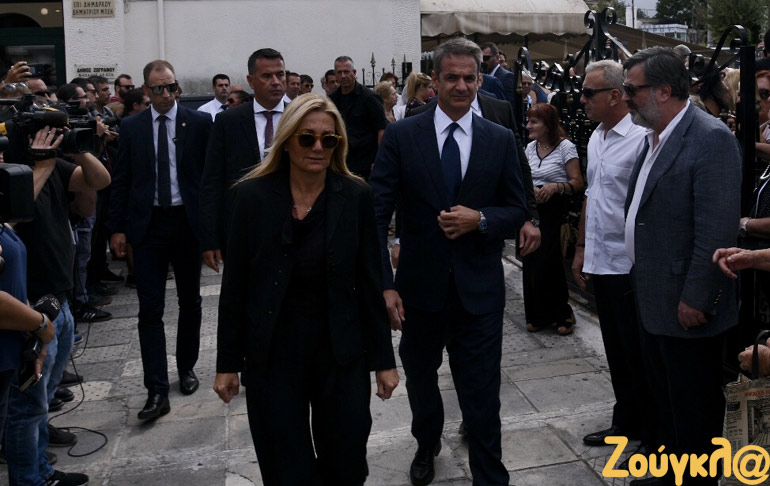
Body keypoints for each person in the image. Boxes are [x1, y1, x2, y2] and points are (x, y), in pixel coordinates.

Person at [214, 93, 398, 485]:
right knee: (285, 468)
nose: (317, 147)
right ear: (286, 140)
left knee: (346, 463)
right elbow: (236, 287)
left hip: (340, 352)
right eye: (306, 138)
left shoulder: (356, 196)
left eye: (328, 140)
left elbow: (370, 284)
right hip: (274, 354)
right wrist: (227, 363)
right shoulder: (252, 196)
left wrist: (384, 361)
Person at [370, 38, 527, 486]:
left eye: (469, 78)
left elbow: (517, 209)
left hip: (479, 293)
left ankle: (490, 476)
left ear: (480, 80)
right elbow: (376, 214)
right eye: (452, 77)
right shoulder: (403, 136)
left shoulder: (499, 139)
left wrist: (482, 220)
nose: (461, 86)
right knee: (422, 382)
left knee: (482, 392)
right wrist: (385, 284)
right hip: (419, 291)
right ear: (434, 81)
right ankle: (427, 442)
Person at [622, 47, 741, 486]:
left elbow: (716, 229)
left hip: (686, 305)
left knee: (694, 411)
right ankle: (671, 473)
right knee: (667, 402)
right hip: (653, 296)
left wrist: (697, 297)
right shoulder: (655, 136)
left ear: (664, 90)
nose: (625, 97)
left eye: (632, 89)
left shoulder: (710, 138)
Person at [108, 59, 213, 420]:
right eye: (159, 88)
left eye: (172, 86)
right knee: (150, 308)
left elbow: (209, 179)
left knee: (190, 300)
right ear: (146, 91)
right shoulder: (132, 126)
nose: (167, 94)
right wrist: (117, 228)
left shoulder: (199, 123)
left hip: (186, 223)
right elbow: (122, 179)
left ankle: (186, 366)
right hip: (148, 224)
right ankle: (156, 388)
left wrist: (211, 231)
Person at [571, 60, 656, 455]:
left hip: (629, 263)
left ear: (616, 95)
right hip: (601, 259)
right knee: (616, 350)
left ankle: (650, 431)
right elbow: (593, 195)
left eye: (589, 93)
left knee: (638, 351)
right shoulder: (596, 137)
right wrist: (581, 247)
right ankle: (626, 421)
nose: (582, 99)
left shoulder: (641, 138)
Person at [199, 47, 287, 274]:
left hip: (293, 224)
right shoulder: (228, 122)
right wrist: (210, 237)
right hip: (243, 227)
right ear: (251, 80)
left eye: (280, 74)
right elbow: (212, 181)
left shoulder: (300, 116)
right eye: (267, 76)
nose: (276, 81)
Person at [522, 103, 583, 335]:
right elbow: (523, 177)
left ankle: (561, 312)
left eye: (534, 122)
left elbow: (577, 182)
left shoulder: (565, 147)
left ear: (547, 125)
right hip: (533, 209)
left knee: (548, 260)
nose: (528, 126)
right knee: (531, 259)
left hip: (554, 210)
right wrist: (531, 190)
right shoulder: (530, 148)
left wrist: (556, 187)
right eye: (528, 121)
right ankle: (537, 314)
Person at [329, 56, 388, 180]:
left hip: (365, 163)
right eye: (339, 72)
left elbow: (381, 129)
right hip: (341, 161)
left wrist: (379, 158)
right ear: (335, 75)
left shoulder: (369, 97)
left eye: (346, 71)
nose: (343, 76)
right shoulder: (332, 100)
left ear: (354, 72)